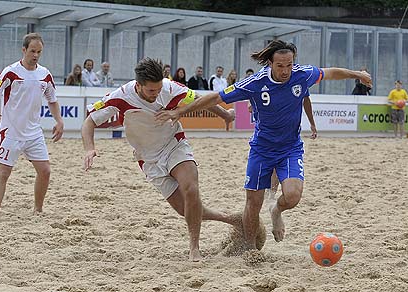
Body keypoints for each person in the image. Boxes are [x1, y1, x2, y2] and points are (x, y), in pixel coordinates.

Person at [155, 40, 372, 250]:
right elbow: (216, 97)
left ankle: (276, 211)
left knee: (293, 196)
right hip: (261, 149)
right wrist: (181, 111)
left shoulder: (302, 74)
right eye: (280, 66)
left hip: (290, 147)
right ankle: (249, 248)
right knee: (253, 202)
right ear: (270, 63)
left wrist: (357, 74)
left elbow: (330, 72)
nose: (286, 70)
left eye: (289, 65)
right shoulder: (254, 83)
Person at [81, 58, 237, 262]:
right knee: (185, 210)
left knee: (191, 188)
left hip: (174, 145)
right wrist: (89, 148)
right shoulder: (121, 96)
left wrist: (225, 115)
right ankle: (230, 219)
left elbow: (199, 99)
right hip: (148, 159)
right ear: (138, 86)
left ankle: (194, 248)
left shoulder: (169, 88)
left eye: (158, 89)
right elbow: (89, 122)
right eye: (150, 91)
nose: (156, 94)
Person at [0, 33, 64, 216]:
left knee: (45, 171)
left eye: (39, 52)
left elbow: (52, 100)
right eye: (32, 51)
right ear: (24, 50)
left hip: (34, 133)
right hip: (10, 131)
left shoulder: (45, 74)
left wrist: (59, 120)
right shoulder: (11, 71)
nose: (35, 55)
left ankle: (38, 210)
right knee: (4, 173)